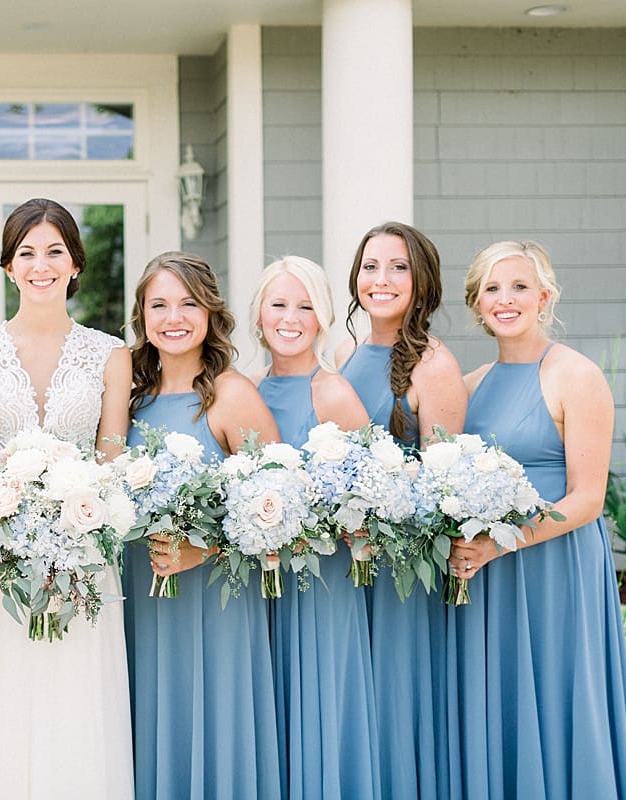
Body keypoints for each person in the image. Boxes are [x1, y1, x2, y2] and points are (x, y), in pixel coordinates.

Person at [0, 198, 134, 799]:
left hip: (83, 562)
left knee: (78, 710)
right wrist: (3, 521)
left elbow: (112, 459)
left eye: (55, 252)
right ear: (8, 267)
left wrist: (80, 526)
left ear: (76, 265)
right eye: (26, 253)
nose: (40, 265)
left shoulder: (111, 354)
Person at [448, 240, 626, 797]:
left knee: (557, 696)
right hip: (488, 573)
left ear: (544, 296)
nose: (505, 299)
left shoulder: (574, 375)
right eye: (491, 289)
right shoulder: (471, 384)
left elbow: (588, 498)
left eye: (519, 286)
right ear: (477, 304)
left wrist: (503, 543)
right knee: (501, 699)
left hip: (554, 566)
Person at [123, 251, 280, 800]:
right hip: (137, 598)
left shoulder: (230, 394)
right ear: (141, 316)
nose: (174, 317)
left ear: (210, 313)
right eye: (159, 304)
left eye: (188, 303)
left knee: (212, 725)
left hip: (213, 601)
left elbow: (279, 507)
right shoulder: (129, 400)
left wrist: (202, 550)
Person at [336, 221, 466, 799]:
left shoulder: (434, 364)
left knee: (392, 701)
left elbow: (444, 487)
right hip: (341, 557)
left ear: (422, 282)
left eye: (398, 267)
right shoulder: (343, 353)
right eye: (370, 266)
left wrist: (378, 512)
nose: (380, 279)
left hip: (397, 570)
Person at [251, 256, 377, 799]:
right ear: (258, 314)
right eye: (278, 304)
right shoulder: (247, 387)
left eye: (304, 306)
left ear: (322, 317)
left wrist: (324, 527)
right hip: (257, 584)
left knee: (318, 711)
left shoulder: (333, 393)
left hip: (320, 584)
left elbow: (374, 496)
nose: (290, 318)